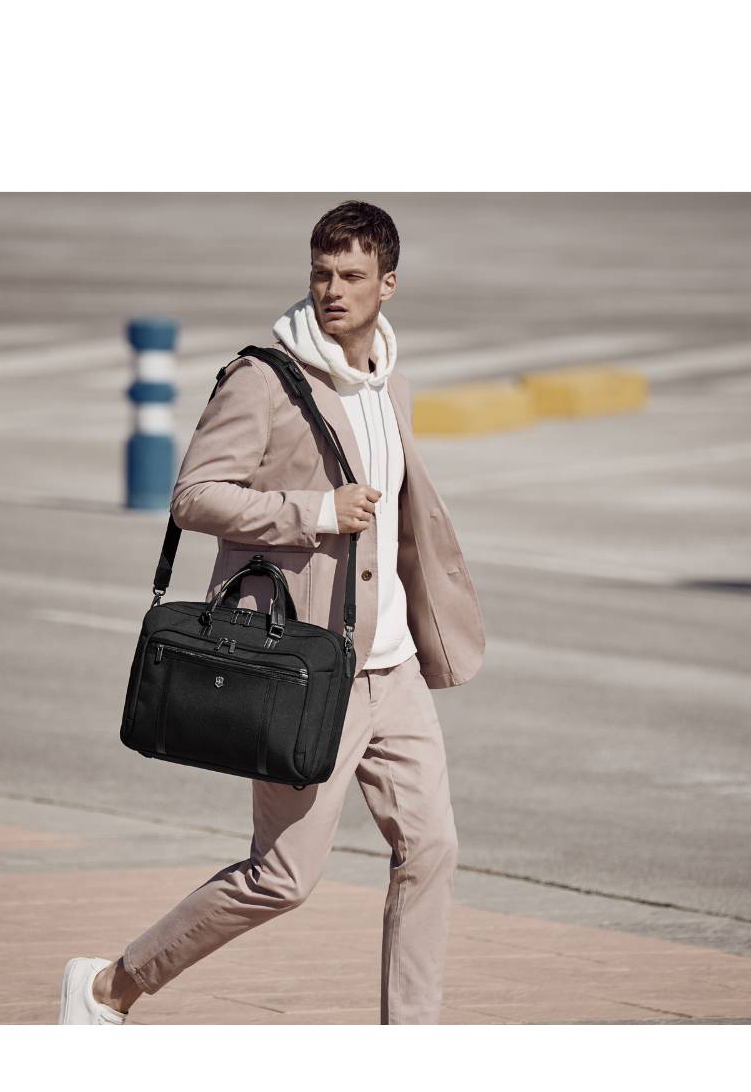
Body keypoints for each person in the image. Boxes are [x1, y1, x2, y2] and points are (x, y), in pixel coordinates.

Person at [59, 200, 485, 1025]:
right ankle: (110, 985)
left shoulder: (390, 382)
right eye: (322, 274)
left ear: (388, 284)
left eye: (353, 276)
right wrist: (313, 513)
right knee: (282, 877)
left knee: (432, 847)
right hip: (308, 672)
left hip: (391, 665)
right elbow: (194, 496)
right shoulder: (264, 380)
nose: (334, 290)